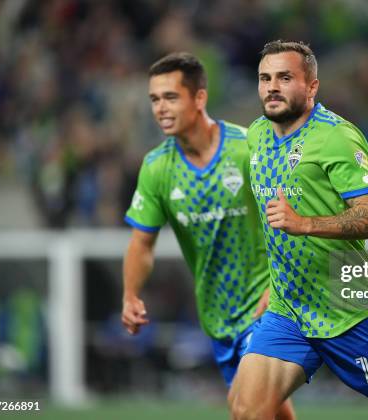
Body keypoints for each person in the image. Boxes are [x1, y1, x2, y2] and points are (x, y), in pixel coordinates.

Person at [229, 40, 368, 420]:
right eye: (265, 78)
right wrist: (273, 281)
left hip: (350, 309)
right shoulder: (256, 135)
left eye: (285, 77)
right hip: (289, 310)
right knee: (247, 410)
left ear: (311, 86)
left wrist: (304, 224)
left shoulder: (336, 136)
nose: (272, 86)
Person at [121, 52, 294, 419]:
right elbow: (142, 243)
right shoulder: (156, 168)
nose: (160, 109)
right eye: (154, 99)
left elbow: (291, 221)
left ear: (199, 98)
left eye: (171, 97)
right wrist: (131, 294)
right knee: (273, 414)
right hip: (218, 316)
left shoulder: (248, 148)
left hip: (269, 306)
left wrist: (277, 286)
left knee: (246, 410)